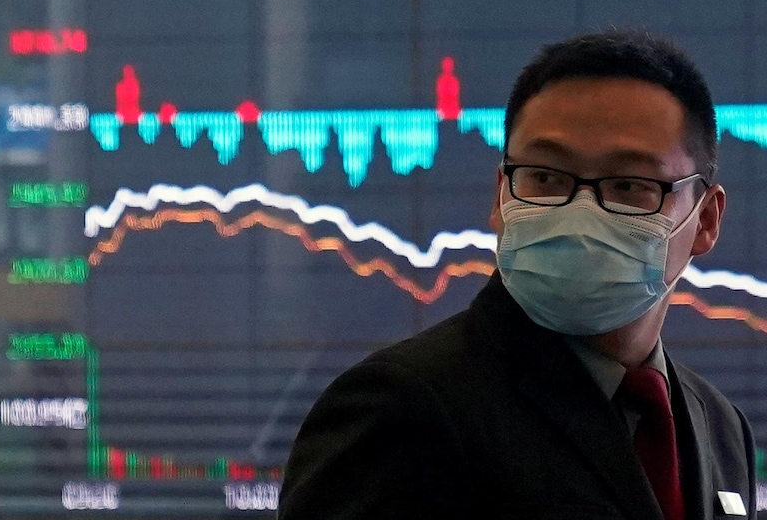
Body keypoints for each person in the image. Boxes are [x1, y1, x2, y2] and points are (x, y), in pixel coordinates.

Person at [278, 30, 757, 520]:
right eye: (546, 177)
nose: (581, 212)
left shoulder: (719, 427)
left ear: (705, 220)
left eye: (628, 184)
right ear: (500, 197)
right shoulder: (403, 408)